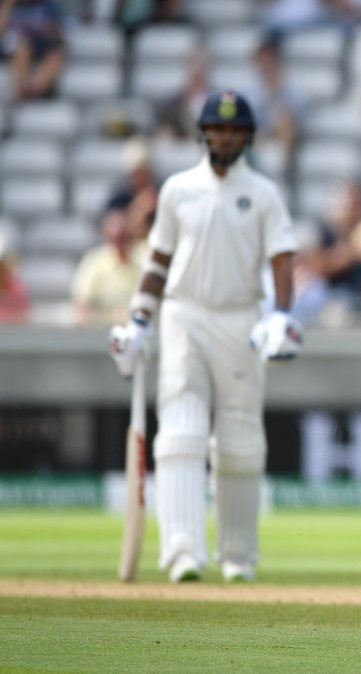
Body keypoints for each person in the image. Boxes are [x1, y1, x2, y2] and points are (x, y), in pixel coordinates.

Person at [107, 91, 302, 584]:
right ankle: (182, 552)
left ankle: (237, 556)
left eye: (236, 131)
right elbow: (158, 263)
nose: (227, 137)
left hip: (240, 319)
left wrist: (280, 314)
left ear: (248, 137)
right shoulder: (177, 190)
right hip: (184, 317)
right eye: (219, 129)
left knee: (240, 440)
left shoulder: (262, 193)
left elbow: (282, 258)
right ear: (203, 134)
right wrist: (139, 322)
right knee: (181, 432)